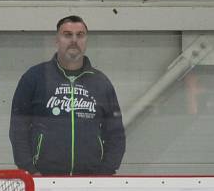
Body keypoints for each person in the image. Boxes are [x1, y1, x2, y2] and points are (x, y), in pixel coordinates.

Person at [9, 15, 126, 176]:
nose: (74, 40)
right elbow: (18, 129)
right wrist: (30, 169)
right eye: (67, 34)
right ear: (57, 40)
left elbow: (116, 133)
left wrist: (105, 172)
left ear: (86, 40)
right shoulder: (35, 77)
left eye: (80, 35)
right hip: (43, 178)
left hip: (91, 180)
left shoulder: (101, 82)